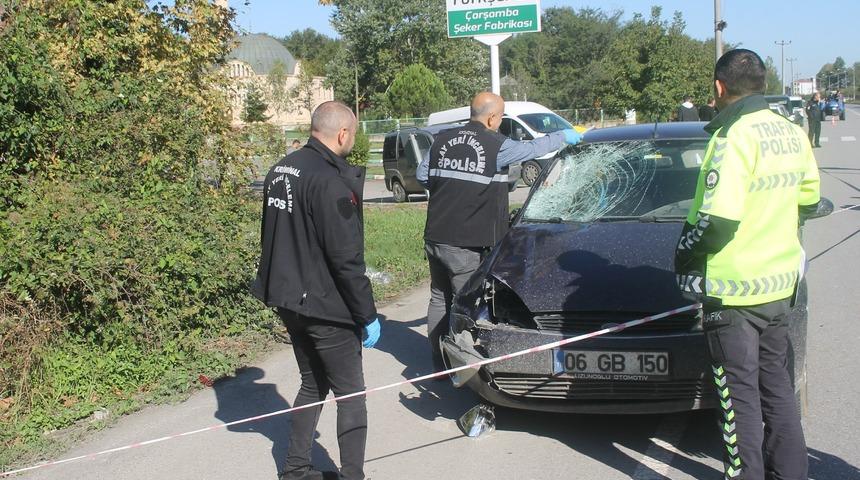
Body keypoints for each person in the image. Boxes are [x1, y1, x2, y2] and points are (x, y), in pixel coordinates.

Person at [675, 49, 820, 480]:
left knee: (737, 400)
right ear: (762, 83)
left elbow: (717, 221)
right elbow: (809, 200)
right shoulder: (792, 131)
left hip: (734, 293)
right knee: (777, 387)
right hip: (779, 287)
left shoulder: (733, 136)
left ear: (719, 87)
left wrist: (684, 253)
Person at [252, 101, 380, 480]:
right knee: (351, 394)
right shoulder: (329, 181)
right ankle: (353, 475)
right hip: (324, 306)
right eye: (352, 134)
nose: (352, 140)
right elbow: (346, 259)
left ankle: (295, 469)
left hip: (288, 298)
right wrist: (367, 315)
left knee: (313, 383)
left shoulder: (281, 169)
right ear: (342, 134)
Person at [416, 92, 582, 371]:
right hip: (465, 243)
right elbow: (532, 149)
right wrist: (563, 136)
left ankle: (438, 363)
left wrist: (454, 187)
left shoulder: (442, 140)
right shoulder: (496, 145)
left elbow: (423, 176)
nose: (501, 121)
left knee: (438, 297)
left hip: (435, 236)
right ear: (492, 117)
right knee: (465, 306)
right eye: (501, 117)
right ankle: (463, 368)